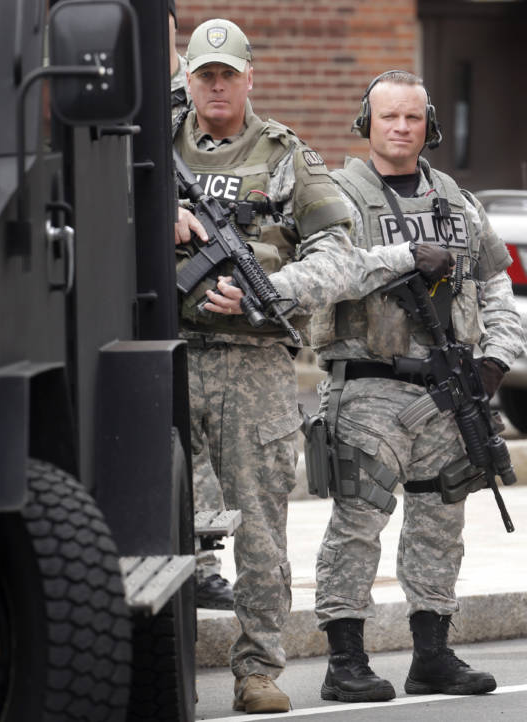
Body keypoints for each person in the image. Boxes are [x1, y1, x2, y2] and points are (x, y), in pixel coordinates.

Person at [172, 20, 451, 714]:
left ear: (248, 79)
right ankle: (152, 664)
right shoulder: (141, 152)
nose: (215, 84)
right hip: (163, 355)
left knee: (261, 527)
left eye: (227, 74)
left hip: (255, 361)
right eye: (204, 73)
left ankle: (258, 670)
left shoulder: (288, 156)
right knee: (155, 521)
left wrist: (275, 290)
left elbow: (338, 257)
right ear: (186, 78)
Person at [302, 70, 524, 703]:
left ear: (430, 126)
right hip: (368, 387)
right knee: (356, 524)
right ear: (364, 123)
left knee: (440, 522)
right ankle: (345, 660)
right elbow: (327, 277)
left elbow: (498, 286)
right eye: (388, 117)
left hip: (449, 392)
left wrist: (495, 360)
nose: (401, 129)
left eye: (413, 119)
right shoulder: (336, 197)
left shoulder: (458, 200)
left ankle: (432, 654)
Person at [168, 0, 234, 613]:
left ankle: (206, 561)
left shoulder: (192, 119)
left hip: (200, 315)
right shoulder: (147, 117)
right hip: (141, 309)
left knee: (199, 446)